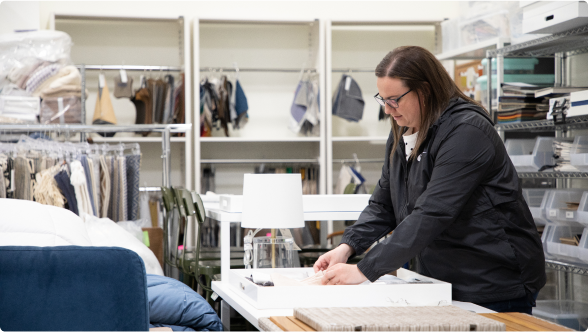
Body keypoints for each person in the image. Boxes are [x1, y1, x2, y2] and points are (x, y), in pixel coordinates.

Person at [314, 46, 546, 314]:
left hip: (492, 282)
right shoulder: (403, 132)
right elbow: (383, 204)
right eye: (383, 100)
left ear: (424, 90)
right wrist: (347, 247)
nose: (389, 110)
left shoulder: (467, 131)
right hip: (439, 280)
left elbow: (433, 212)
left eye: (395, 100)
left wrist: (364, 269)